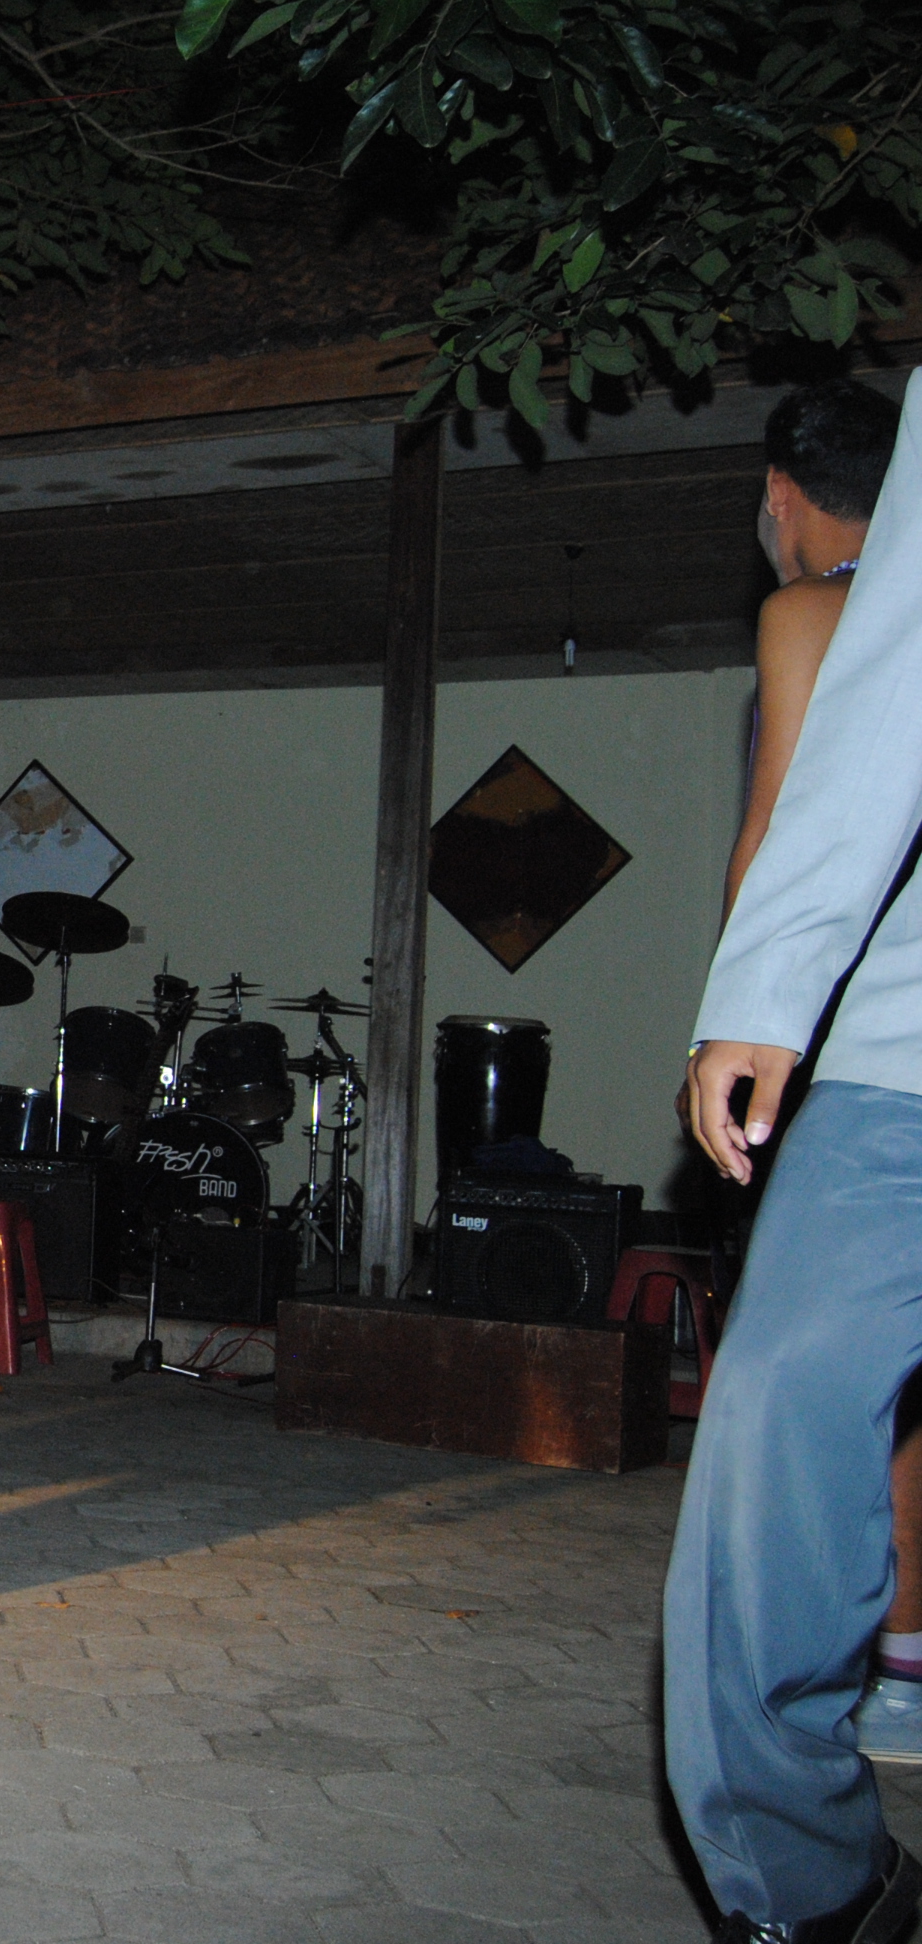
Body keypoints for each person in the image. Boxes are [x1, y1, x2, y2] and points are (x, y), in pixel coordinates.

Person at [673, 378, 922, 1942]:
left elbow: (778, 829)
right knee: (847, 1403)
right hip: (895, 1055)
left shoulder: (807, 612)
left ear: (781, 494)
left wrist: (743, 1004)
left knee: (803, 1410)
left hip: (868, 1052)